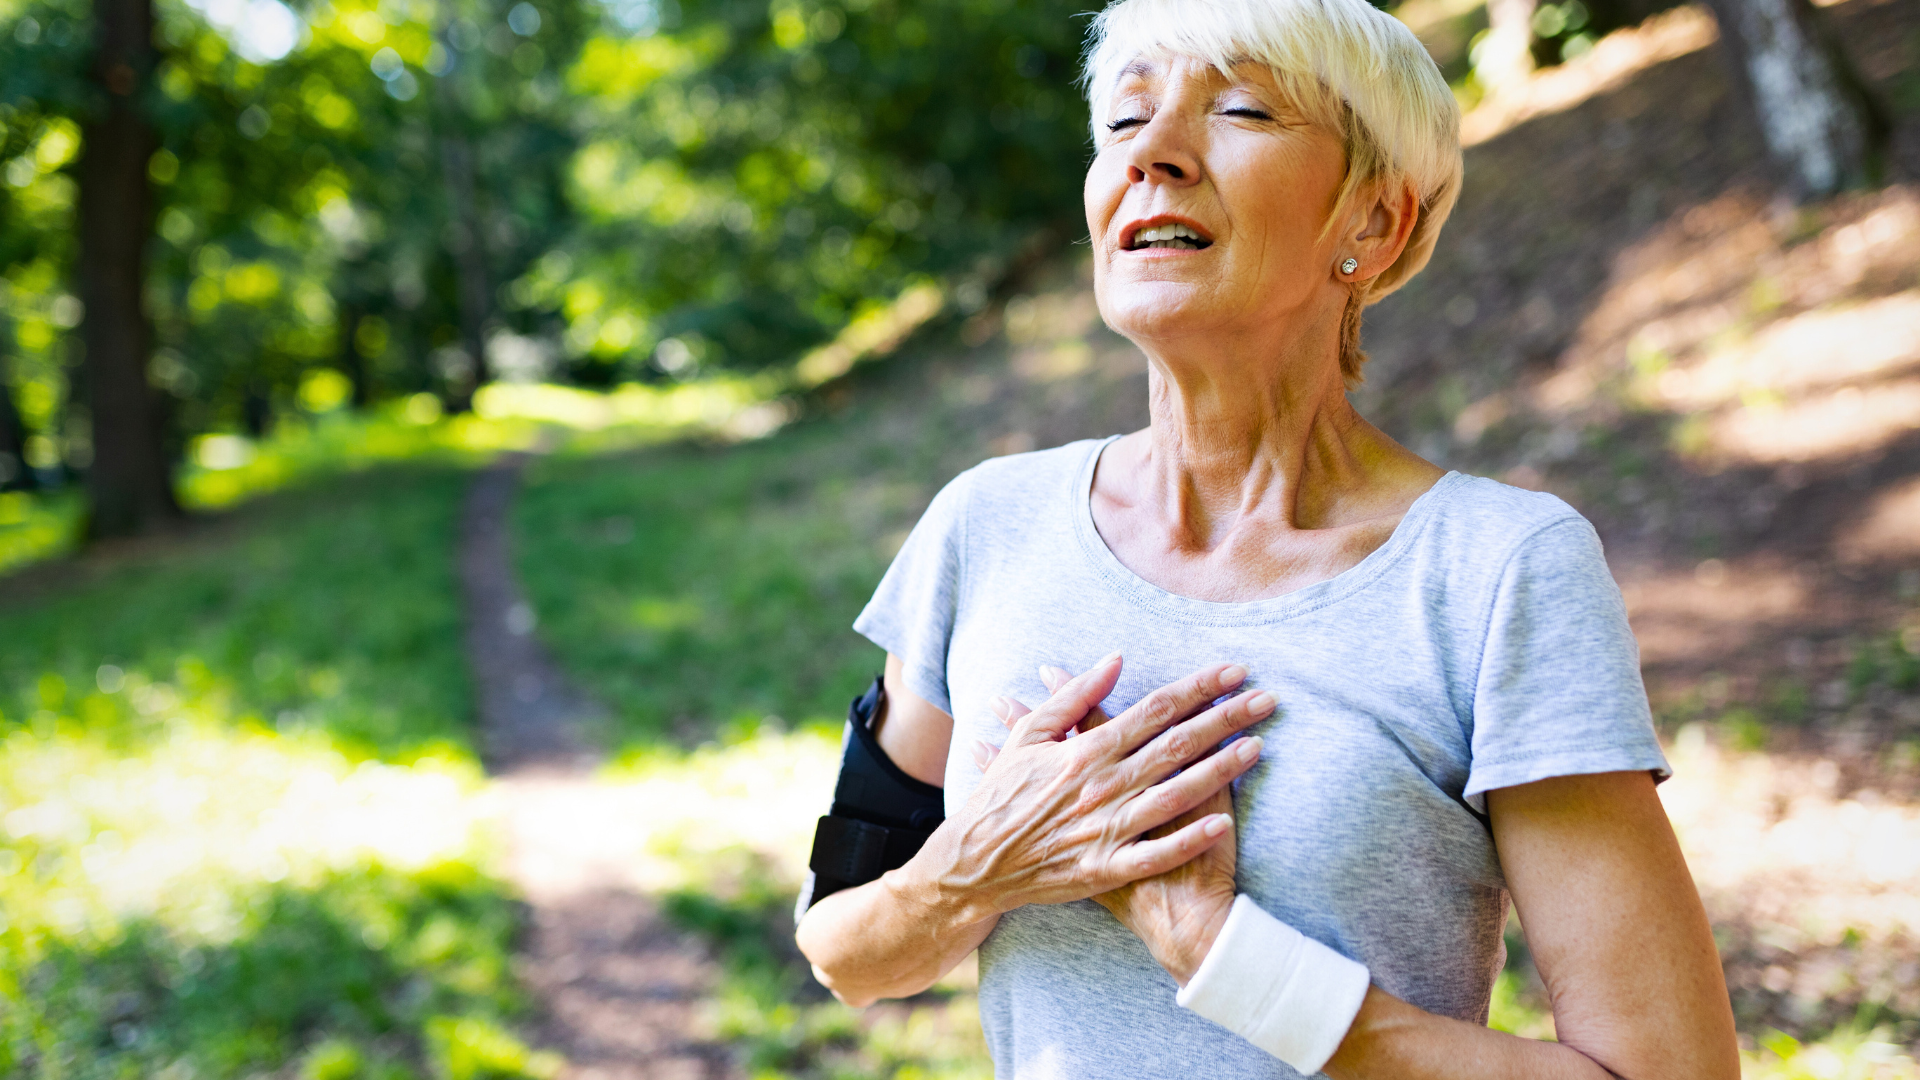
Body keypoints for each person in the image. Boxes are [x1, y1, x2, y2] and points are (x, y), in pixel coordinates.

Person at [795, 0, 1740, 1075]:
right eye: (1123, 123)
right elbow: (845, 952)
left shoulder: (1496, 571)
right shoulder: (985, 526)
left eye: (1242, 108)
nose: (1154, 152)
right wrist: (976, 869)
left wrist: (1222, 955)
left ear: (1374, 223)